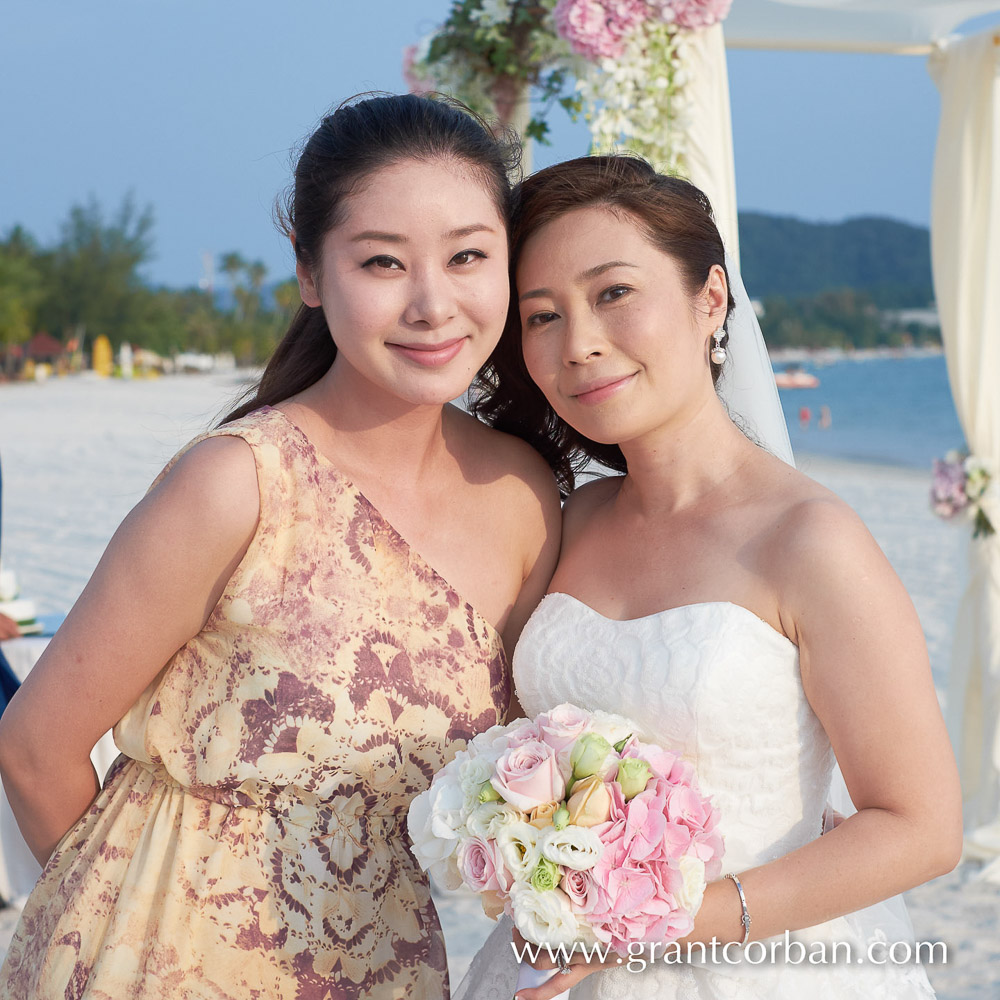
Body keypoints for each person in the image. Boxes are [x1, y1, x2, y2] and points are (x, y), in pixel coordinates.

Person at [0, 94, 560, 999]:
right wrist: (113, 918)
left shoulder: (527, 496)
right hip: (153, 962)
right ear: (309, 270)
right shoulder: (240, 483)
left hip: (379, 965)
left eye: (466, 257)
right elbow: (34, 746)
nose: (431, 303)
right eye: (382, 261)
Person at [458, 154, 961, 999]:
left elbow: (921, 828)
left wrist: (661, 921)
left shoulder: (810, 541)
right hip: (550, 964)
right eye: (542, 315)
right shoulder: (566, 520)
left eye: (613, 293)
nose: (577, 342)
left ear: (711, 300)